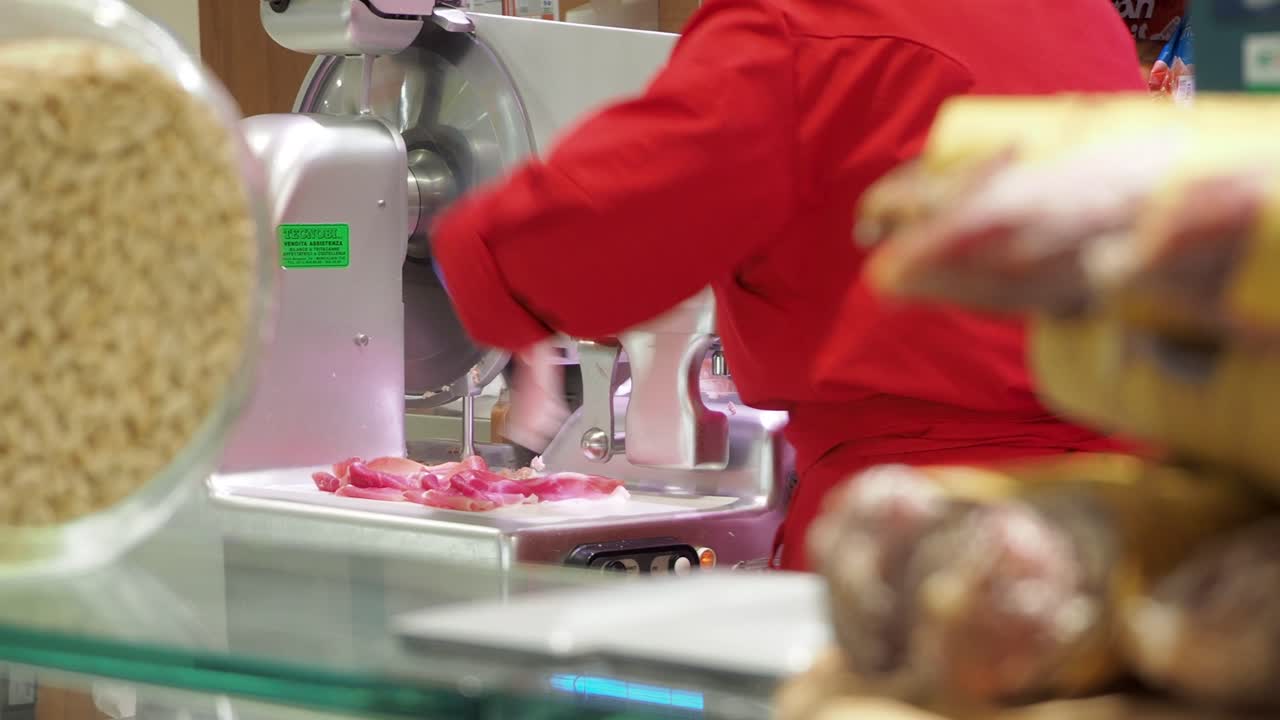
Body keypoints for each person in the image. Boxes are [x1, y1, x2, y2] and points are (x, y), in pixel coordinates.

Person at [431, 0, 1146, 571]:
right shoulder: (1079, 11)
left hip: (924, 527)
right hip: (1130, 508)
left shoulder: (800, 20)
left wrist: (466, 251)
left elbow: (611, 219)